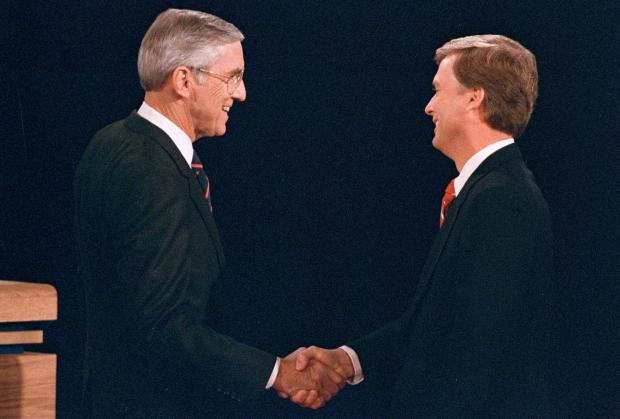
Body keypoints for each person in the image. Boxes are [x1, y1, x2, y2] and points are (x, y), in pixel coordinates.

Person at [74, 8, 343, 417]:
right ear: (183, 80)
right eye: (231, 77)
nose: (241, 93)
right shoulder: (149, 168)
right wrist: (276, 373)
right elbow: (162, 324)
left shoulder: (116, 142)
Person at [297, 34, 553, 417]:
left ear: (473, 97)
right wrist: (346, 361)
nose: (428, 106)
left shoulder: (502, 200)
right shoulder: (484, 192)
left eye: (438, 90)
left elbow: (478, 360)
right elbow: (435, 327)